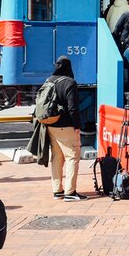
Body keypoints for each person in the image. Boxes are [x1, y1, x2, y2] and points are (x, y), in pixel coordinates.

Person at [43, 56, 87, 202]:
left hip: (51, 125)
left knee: (57, 157)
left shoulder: (49, 80)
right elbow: (73, 108)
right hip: (66, 126)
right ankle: (70, 192)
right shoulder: (69, 82)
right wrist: (77, 125)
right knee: (72, 157)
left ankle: (57, 190)